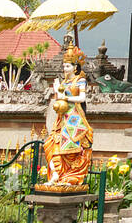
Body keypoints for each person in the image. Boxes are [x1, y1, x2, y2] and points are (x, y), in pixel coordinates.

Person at [40, 45, 94, 189]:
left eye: (68, 66)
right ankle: (57, 175)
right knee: (50, 145)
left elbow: (82, 98)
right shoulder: (63, 82)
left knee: (70, 148)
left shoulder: (80, 80)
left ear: (75, 67)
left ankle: (69, 175)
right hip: (62, 118)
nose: (65, 68)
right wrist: (57, 90)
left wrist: (66, 97)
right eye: (64, 66)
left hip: (74, 119)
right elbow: (59, 98)